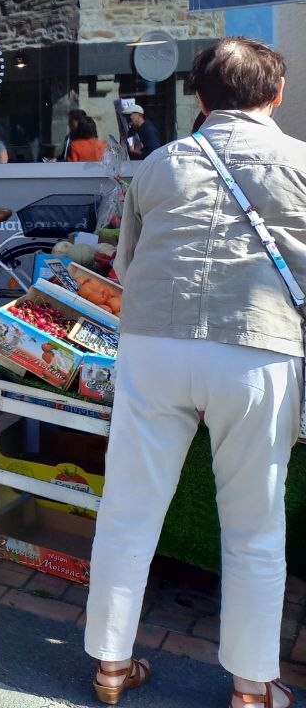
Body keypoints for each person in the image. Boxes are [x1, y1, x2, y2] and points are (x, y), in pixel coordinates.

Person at [83, 38, 306, 708]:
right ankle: (250, 686)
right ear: (277, 93)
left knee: (128, 508)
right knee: (255, 525)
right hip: (258, 347)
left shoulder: (158, 167)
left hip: (155, 343)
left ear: (199, 98)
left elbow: (124, 267)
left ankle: (111, 667)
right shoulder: (300, 163)